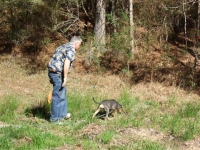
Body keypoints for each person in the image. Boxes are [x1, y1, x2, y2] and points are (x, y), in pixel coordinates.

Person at [48, 36, 82, 124]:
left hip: (53, 72)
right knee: (57, 95)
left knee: (62, 91)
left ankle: (63, 114)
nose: (79, 47)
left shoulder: (63, 46)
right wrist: (65, 78)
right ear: (76, 43)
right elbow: (66, 63)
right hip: (57, 74)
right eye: (80, 45)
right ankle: (55, 119)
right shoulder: (71, 49)